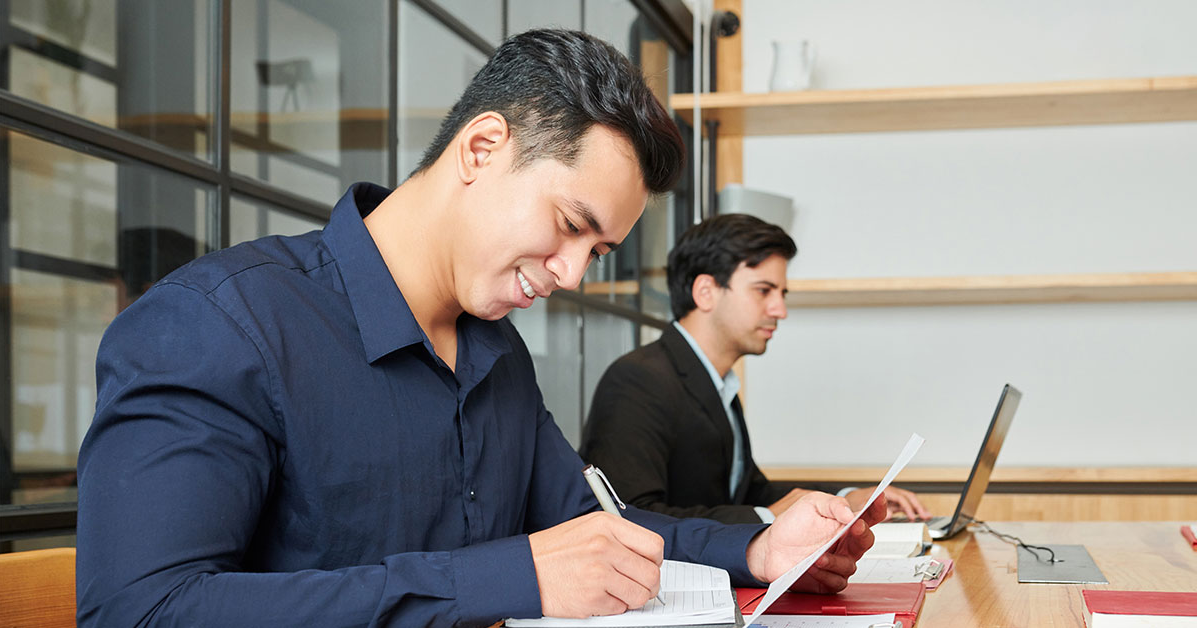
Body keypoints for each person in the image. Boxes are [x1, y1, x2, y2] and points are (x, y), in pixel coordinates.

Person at [76, 30, 885, 627]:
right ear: (483, 146)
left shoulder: (497, 353)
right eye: (570, 225)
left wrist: (759, 550)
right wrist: (509, 578)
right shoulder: (218, 323)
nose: (572, 274)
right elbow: (139, 612)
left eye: (596, 250)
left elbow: (595, 529)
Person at [580, 214, 930, 525]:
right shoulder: (638, 380)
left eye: (782, 293)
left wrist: (846, 497)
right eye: (764, 291)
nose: (780, 309)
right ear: (706, 292)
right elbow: (627, 516)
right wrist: (769, 517)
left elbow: (750, 492)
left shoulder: (719, 384)